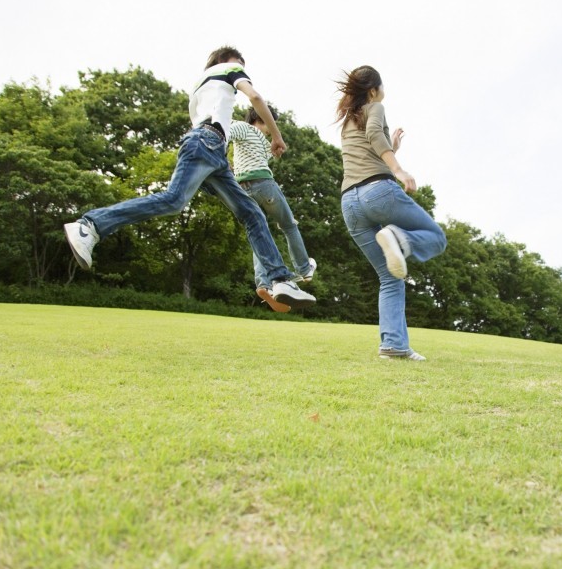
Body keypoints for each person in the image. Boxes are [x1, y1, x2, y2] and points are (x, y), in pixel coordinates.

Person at [63, 46, 315, 309]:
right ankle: (90, 225)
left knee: (252, 214)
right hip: (207, 142)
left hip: (213, 152)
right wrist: (276, 136)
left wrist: (223, 163)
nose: (243, 69)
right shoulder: (227, 69)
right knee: (174, 200)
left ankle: (279, 279)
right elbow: (255, 98)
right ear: (224, 61)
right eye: (240, 64)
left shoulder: (199, 88)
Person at [335, 65, 447, 361]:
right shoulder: (375, 107)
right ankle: (398, 239)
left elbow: (367, 147)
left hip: (350, 202)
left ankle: (394, 345)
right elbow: (373, 133)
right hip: (378, 192)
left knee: (389, 276)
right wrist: (397, 169)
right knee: (436, 238)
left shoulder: (348, 120)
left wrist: (392, 149)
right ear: (373, 90)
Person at [228, 106, 316, 313]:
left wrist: (226, 165)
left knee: (260, 235)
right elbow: (226, 131)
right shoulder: (243, 127)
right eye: (271, 124)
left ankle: (264, 284)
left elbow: (248, 151)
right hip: (263, 184)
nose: (271, 129)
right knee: (289, 225)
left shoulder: (258, 140)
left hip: (242, 189)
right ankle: (304, 268)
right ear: (261, 118)